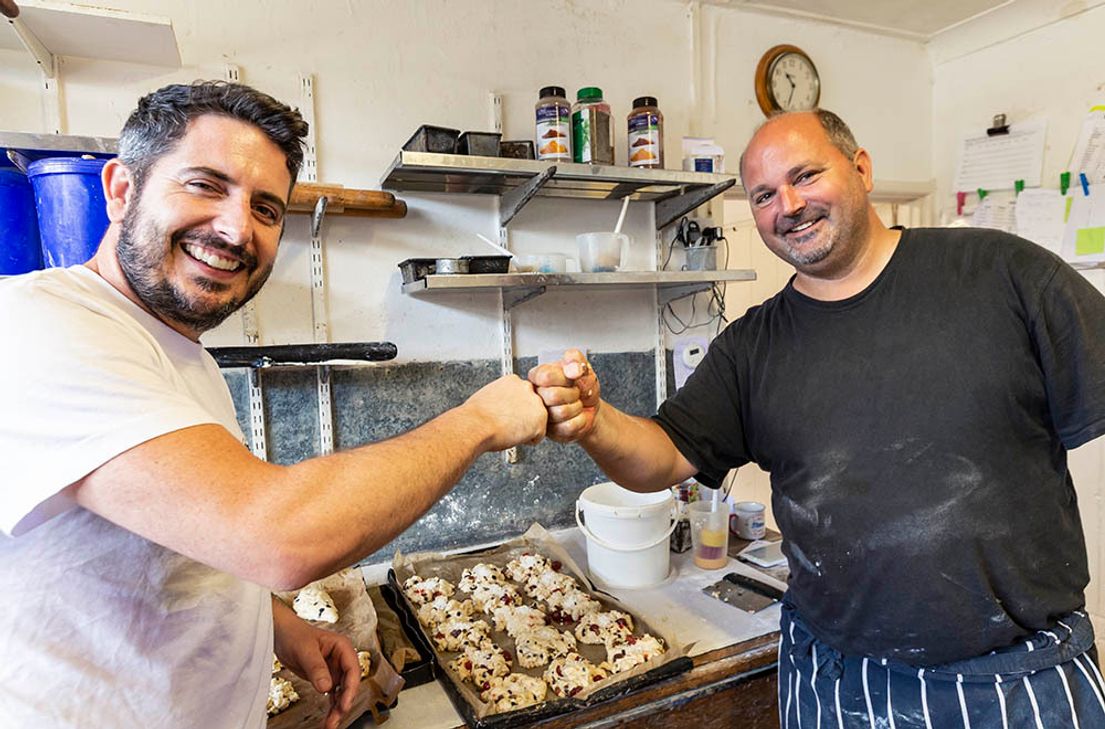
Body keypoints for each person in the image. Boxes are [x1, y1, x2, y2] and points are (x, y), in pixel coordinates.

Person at [529, 109, 1105, 727]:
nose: (790, 205)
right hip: (833, 681)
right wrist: (594, 421)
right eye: (764, 196)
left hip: (1010, 682)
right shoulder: (752, 347)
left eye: (805, 176)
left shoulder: (1003, 275)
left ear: (860, 168)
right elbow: (663, 455)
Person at [0, 81, 547, 729]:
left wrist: (277, 624)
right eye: (204, 185)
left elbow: (185, 538)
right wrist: (479, 420)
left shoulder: (183, 357)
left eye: (265, 208)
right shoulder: (37, 326)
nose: (236, 228)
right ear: (121, 190)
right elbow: (278, 535)